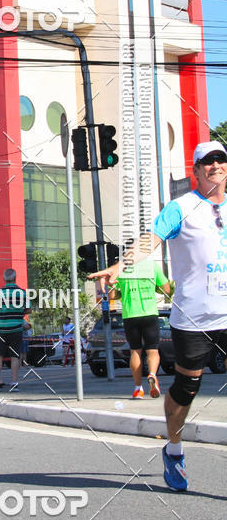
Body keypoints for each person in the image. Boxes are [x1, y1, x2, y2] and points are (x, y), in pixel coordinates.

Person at [91, 140, 227, 492]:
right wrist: (121, 265)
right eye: (206, 162)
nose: (215, 166)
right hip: (194, 317)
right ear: (196, 171)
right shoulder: (181, 207)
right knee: (186, 388)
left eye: (220, 160)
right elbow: (149, 241)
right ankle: (174, 450)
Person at [110, 260, 171, 399]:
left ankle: (138, 389)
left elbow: (112, 296)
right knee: (153, 350)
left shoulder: (121, 268)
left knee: (135, 352)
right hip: (150, 314)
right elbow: (166, 290)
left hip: (130, 315)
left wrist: (122, 292)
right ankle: (152, 374)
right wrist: (153, 287)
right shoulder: (152, 265)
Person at [0, 268, 28, 391]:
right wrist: (18, 312)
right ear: (15, 278)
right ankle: (14, 383)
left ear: (4, 279)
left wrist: (4, 310)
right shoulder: (22, 293)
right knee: (15, 356)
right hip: (16, 328)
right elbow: (28, 309)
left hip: (2, 329)